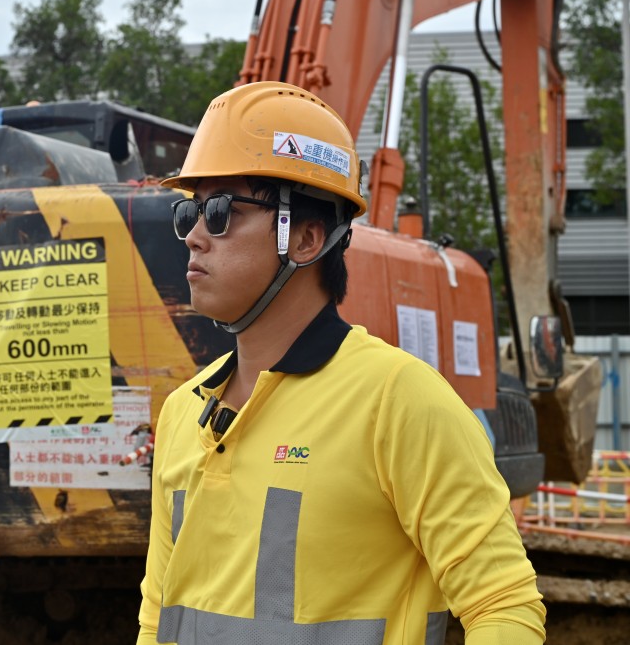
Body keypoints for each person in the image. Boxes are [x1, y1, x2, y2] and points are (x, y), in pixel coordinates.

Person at [136, 82, 545, 644]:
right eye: (190, 212)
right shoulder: (186, 413)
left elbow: (504, 607)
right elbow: (158, 617)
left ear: (306, 237)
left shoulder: (398, 402)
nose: (195, 237)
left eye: (222, 211)